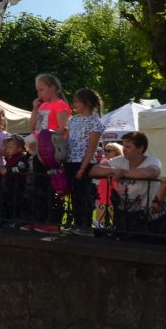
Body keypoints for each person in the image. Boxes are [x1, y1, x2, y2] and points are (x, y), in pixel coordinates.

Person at [88, 131, 162, 239]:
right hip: (124, 216)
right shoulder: (120, 160)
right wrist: (112, 170)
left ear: (140, 148)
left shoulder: (152, 161)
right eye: (123, 146)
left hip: (148, 218)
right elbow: (94, 170)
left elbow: (150, 173)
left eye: (128, 146)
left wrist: (122, 173)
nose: (124, 149)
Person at [29, 73, 71, 231]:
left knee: (51, 186)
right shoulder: (42, 106)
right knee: (39, 185)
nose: (39, 93)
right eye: (37, 90)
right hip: (38, 151)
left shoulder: (60, 105)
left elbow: (62, 129)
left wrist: (45, 141)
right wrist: (35, 108)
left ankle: (52, 222)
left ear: (52, 88)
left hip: (51, 152)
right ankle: (39, 219)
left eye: (41, 89)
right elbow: (32, 127)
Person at [64, 89, 105, 235]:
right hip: (70, 160)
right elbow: (67, 140)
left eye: (77, 101)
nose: (74, 104)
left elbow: (92, 148)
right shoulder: (73, 120)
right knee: (74, 196)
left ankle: (86, 226)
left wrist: (83, 167)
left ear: (86, 103)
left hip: (84, 162)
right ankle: (76, 223)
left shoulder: (95, 122)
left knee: (84, 195)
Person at [0, 136, 33, 228]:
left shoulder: (22, 158)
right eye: (7, 147)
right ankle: (7, 221)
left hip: (17, 187)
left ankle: (16, 222)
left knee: (16, 205)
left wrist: (7, 171)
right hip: (9, 186)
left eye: (10, 147)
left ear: (19, 148)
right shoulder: (11, 157)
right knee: (8, 204)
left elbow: (21, 169)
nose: (7, 149)